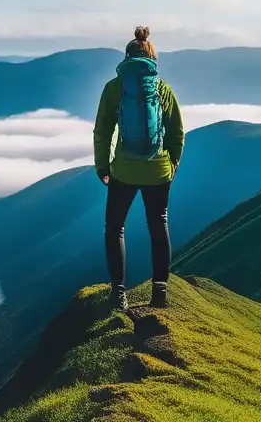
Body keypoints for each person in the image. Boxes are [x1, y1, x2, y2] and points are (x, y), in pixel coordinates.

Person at [93, 26, 185, 312]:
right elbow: (177, 133)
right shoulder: (162, 88)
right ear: (152, 58)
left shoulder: (114, 87)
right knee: (158, 224)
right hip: (159, 172)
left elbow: (102, 131)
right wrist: (172, 165)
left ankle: (119, 294)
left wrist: (102, 166)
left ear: (127, 58)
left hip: (124, 171)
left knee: (115, 228)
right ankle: (160, 292)